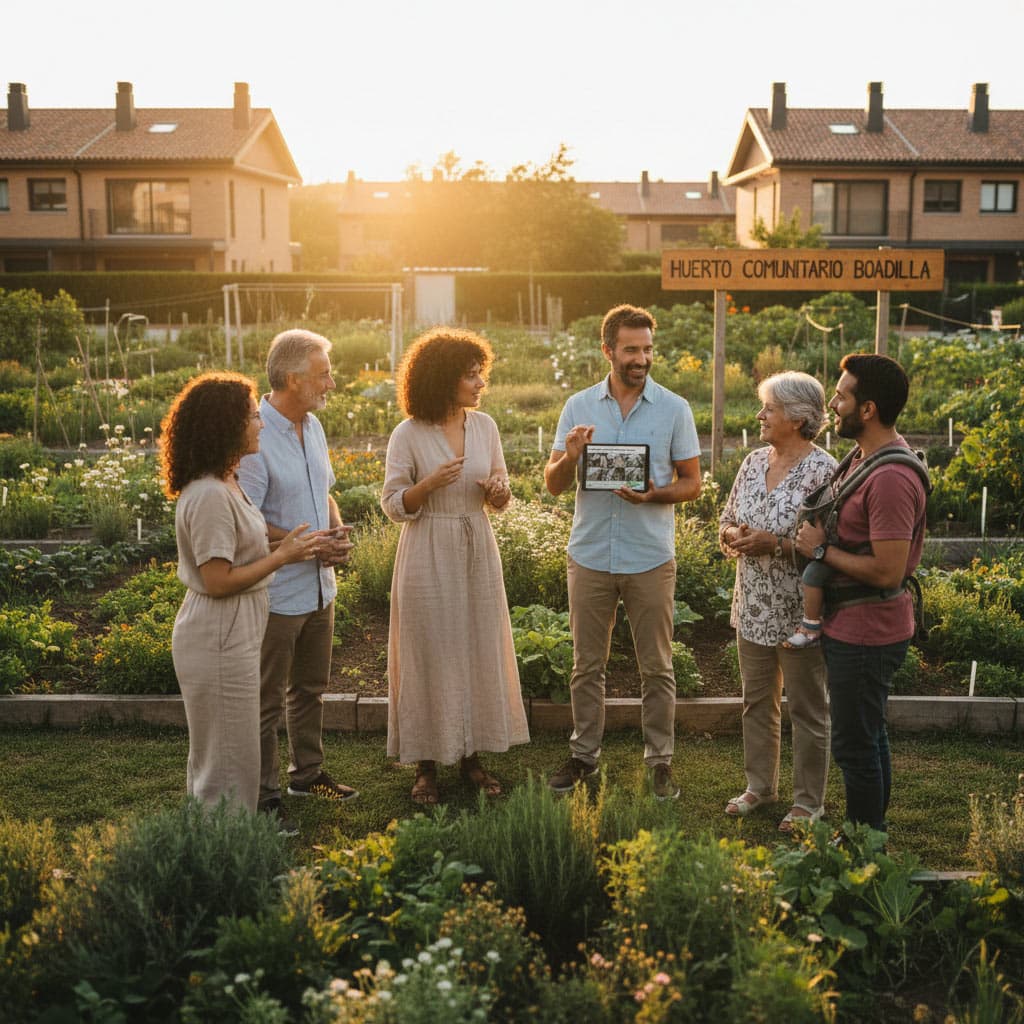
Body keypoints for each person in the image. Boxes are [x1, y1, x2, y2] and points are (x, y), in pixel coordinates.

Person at [544, 304, 702, 800]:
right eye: (632, 349)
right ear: (608, 351)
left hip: (649, 556)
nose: (642, 359)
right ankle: (583, 756)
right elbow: (553, 484)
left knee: (657, 667)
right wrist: (570, 458)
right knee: (586, 666)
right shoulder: (578, 407)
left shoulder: (674, 408)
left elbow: (693, 483)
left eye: (648, 349)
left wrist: (653, 495)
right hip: (590, 553)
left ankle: (660, 762)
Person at [381, 327, 529, 804]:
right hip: (427, 547)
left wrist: (499, 493)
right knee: (429, 650)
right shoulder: (408, 433)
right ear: (443, 378)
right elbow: (392, 504)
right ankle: (425, 765)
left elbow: (501, 491)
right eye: (470, 375)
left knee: (476, 647)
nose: (480, 383)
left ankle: (472, 757)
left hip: (476, 546)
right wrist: (427, 485)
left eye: (480, 373)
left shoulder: (485, 427)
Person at [163, 372, 320, 812]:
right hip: (218, 632)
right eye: (252, 416)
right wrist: (283, 556)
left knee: (233, 751)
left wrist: (296, 545)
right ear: (225, 425)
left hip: (234, 629)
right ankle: (225, 843)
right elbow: (217, 581)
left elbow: (241, 550)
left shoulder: (227, 482)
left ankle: (225, 838)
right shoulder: (210, 495)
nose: (261, 423)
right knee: (228, 756)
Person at [796, 353, 928, 833]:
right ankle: (871, 839)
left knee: (854, 746)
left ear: (868, 409)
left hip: (868, 632)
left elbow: (888, 572)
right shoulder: (862, 458)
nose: (832, 405)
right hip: (853, 625)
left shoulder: (891, 478)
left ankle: (862, 844)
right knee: (869, 737)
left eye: (841, 396)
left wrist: (821, 550)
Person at [238, 330, 359, 827]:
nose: (332, 383)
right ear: (293, 379)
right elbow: (246, 519)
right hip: (277, 592)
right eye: (323, 374)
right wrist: (306, 543)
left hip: (318, 587)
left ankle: (306, 774)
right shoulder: (254, 437)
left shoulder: (314, 426)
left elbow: (325, 491)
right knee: (266, 701)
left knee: (310, 688)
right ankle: (264, 796)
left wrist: (336, 532)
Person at [718, 371, 836, 831]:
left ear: (798, 417)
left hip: (800, 612)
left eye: (769, 408)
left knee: (807, 708)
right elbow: (726, 520)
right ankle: (760, 786)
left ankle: (808, 802)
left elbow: (828, 547)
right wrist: (735, 535)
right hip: (752, 606)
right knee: (756, 702)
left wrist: (777, 545)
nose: (760, 415)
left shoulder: (824, 471)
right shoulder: (752, 462)